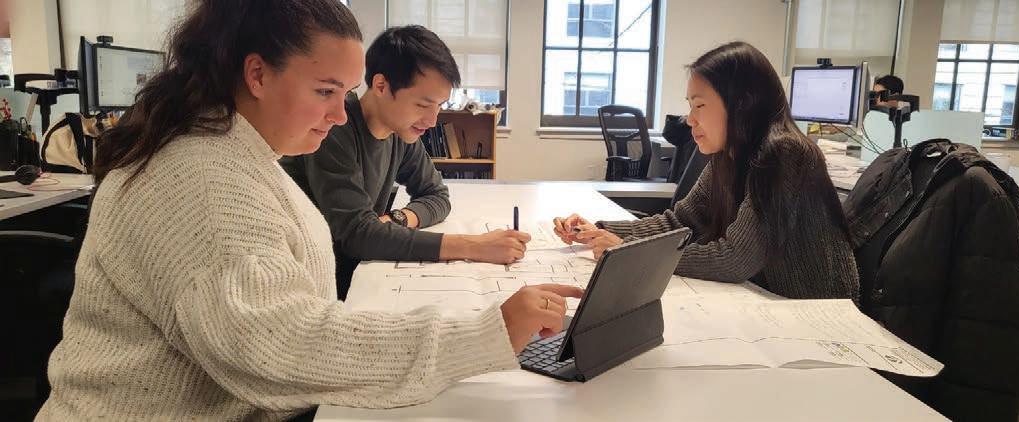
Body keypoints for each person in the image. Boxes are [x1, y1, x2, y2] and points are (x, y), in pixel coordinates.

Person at [37, 1, 581, 420]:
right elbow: (276, 346)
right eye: (325, 91)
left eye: (343, 93)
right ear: (257, 74)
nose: (340, 114)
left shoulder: (240, 153)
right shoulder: (199, 178)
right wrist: (485, 333)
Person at [553, 41, 858, 300]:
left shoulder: (784, 153)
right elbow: (680, 222)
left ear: (742, 104)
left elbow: (734, 259)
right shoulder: (728, 155)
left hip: (816, 312)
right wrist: (598, 231)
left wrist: (628, 251)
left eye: (699, 106)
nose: (689, 119)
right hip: (765, 298)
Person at [281, 26, 527, 298]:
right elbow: (357, 236)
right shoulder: (334, 129)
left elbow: (437, 195)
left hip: (361, 273)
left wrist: (397, 219)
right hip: (318, 288)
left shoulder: (400, 131)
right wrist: (473, 246)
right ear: (381, 86)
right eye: (423, 105)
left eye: (439, 106)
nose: (432, 121)